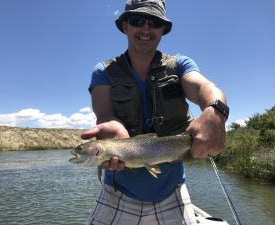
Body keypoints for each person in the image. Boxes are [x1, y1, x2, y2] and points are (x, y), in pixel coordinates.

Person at [81, 0, 229, 224]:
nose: (146, 28)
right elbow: (104, 114)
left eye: (155, 22)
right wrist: (111, 125)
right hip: (117, 191)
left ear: (163, 29)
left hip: (173, 191)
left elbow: (203, 87)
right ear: (125, 26)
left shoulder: (180, 65)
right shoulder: (103, 72)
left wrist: (216, 111)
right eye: (137, 20)